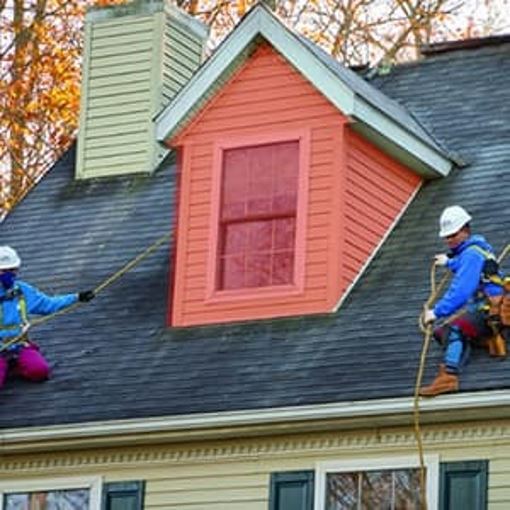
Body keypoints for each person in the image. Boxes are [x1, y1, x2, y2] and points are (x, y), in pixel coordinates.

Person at [420, 206, 505, 397]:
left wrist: (437, 312)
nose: (449, 240)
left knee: (453, 328)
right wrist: (449, 262)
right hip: (485, 306)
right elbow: (466, 264)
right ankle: (476, 339)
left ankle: (449, 376)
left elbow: (461, 291)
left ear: (465, 230)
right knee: (441, 333)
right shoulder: (474, 251)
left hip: (489, 308)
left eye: (452, 235)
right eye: (446, 237)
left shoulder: (471, 254)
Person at [0, 246, 95, 389]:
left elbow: (48, 304)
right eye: (7, 270)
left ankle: (13, 366)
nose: (13, 274)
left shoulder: (21, 290)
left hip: (19, 346)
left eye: (14, 269)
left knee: (39, 372)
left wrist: (77, 297)